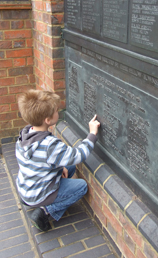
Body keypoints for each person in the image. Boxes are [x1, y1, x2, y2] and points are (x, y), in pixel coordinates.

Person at [15, 89, 100, 231]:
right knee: (81, 187)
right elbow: (77, 155)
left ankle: (30, 201)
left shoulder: (25, 135)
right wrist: (92, 134)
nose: (58, 111)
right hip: (39, 192)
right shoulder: (49, 145)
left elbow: (40, 163)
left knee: (67, 167)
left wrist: (60, 168)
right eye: (56, 110)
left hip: (27, 188)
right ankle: (44, 211)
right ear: (48, 120)